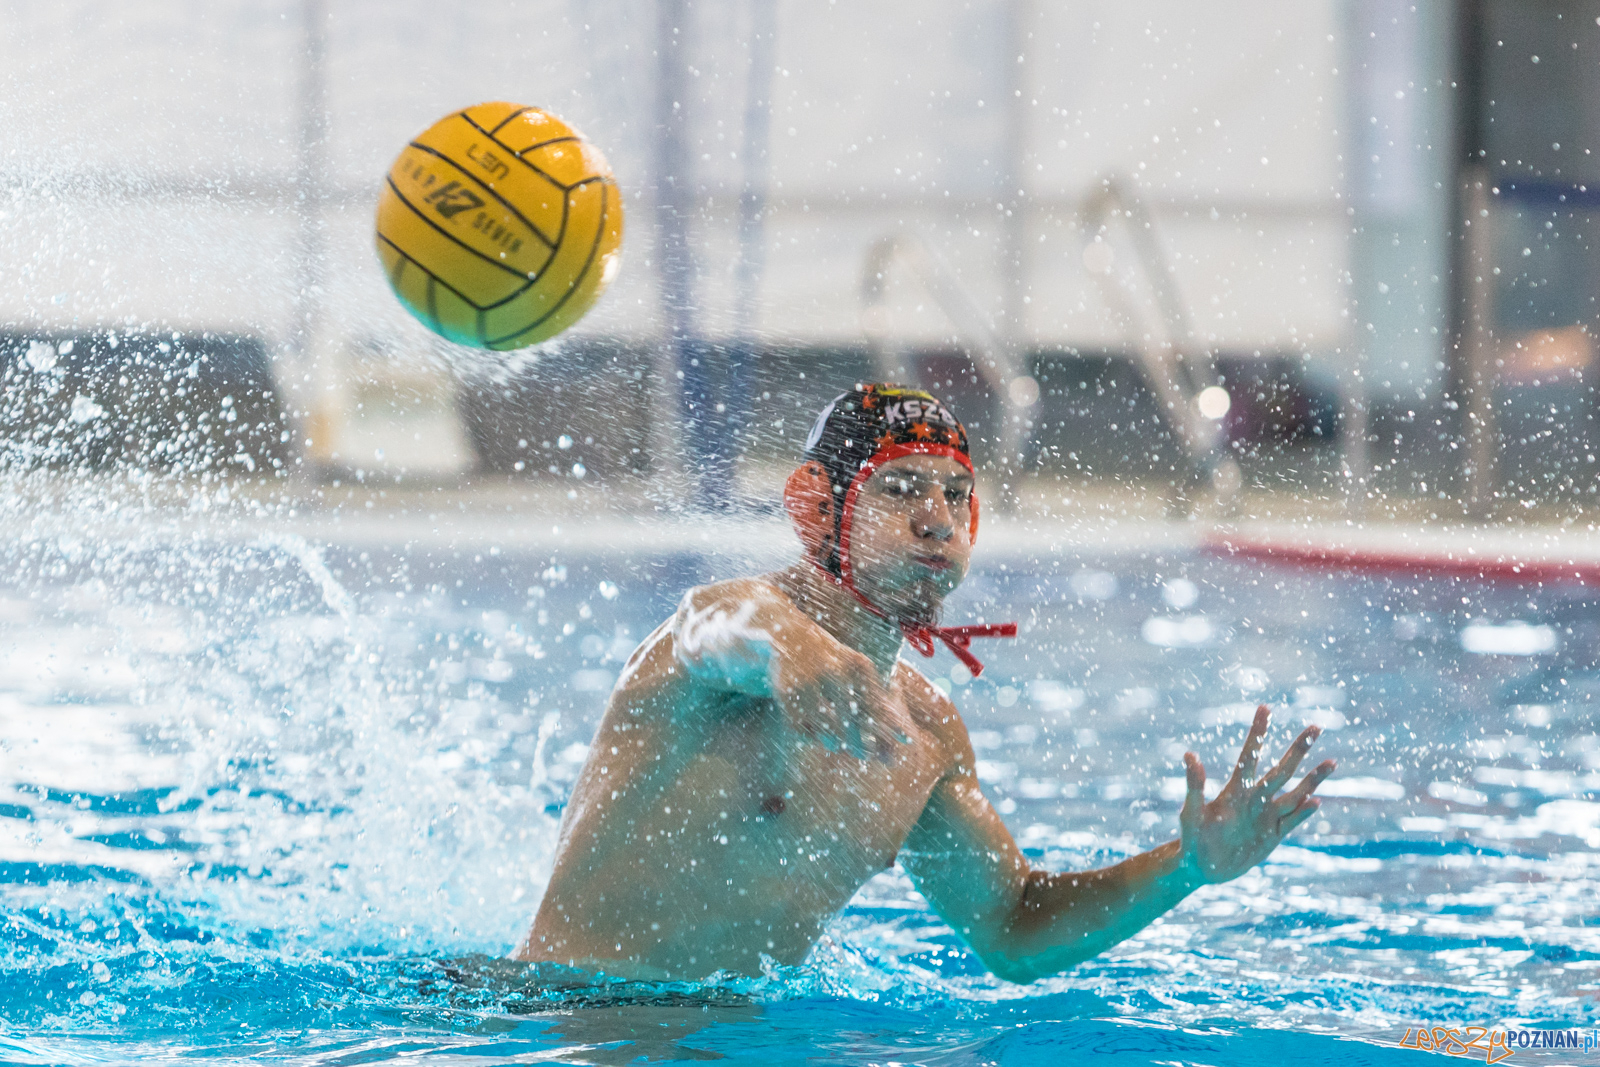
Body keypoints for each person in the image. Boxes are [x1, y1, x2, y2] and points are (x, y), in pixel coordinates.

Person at [516, 383, 1335, 984]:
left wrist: (1186, 867)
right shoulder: (731, 632)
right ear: (816, 509)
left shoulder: (924, 736)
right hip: (563, 1028)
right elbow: (708, 624)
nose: (936, 518)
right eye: (900, 489)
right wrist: (790, 651)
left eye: (955, 495)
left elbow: (1014, 925)